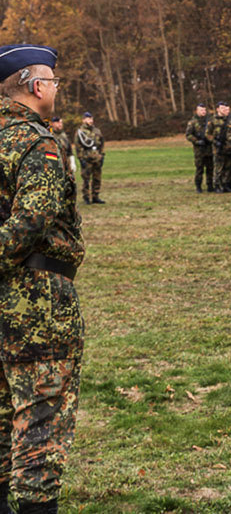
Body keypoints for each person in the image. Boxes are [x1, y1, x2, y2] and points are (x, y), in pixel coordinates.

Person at [0, 44, 84, 514]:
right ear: (35, 86)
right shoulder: (37, 142)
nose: (55, 90)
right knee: (40, 421)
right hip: (37, 299)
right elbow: (31, 223)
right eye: (53, 82)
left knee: (2, 416)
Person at [74, 112, 105, 204]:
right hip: (86, 158)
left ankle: (95, 196)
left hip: (97, 157)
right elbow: (78, 146)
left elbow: (102, 143)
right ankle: (86, 197)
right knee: (86, 179)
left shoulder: (97, 131)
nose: (90, 120)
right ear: (83, 120)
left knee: (97, 178)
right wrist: (81, 158)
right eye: (88, 119)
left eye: (91, 118)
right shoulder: (80, 132)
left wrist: (102, 155)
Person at [184, 103, 214, 193]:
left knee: (210, 168)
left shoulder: (210, 121)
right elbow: (188, 135)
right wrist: (196, 141)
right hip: (199, 150)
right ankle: (198, 186)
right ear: (197, 111)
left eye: (204, 110)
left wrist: (210, 139)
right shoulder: (193, 122)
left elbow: (214, 132)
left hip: (209, 148)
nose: (203, 112)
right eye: (201, 110)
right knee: (199, 168)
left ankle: (210, 185)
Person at [206, 101, 231, 192]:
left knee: (228, 167)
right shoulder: (212, 120)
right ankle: (217, 185)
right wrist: (214, 141)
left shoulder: (230, 120)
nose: (224, 110)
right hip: (217, 147)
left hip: (228, 147)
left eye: (225, 108)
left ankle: (225, 184)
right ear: (217, 109)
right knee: (218, 167)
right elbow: (207, 134)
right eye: (222, 108)